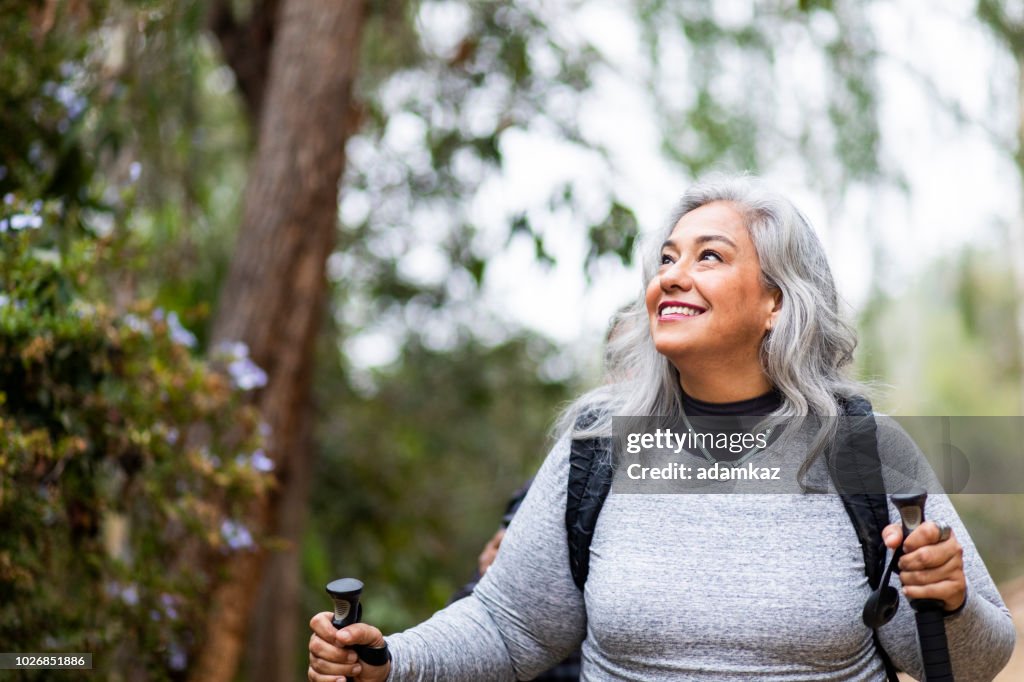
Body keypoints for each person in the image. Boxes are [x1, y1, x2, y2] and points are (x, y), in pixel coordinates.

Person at [308, 174, 1015, 681]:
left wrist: (945, 597)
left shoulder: (865, 449)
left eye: (708, 256)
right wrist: (390, 661)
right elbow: (510, 627)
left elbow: (975, 660)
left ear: (775, 301)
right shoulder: (599, 444)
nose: (671, 276)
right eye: (666, 259)